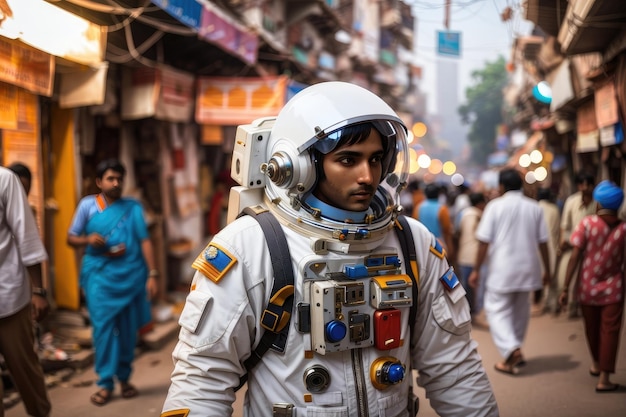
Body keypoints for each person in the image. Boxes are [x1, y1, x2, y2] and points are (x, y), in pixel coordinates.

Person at [161, 82, 498, 416]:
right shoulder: (250, 247)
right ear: (299, 167)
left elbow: (454, 369)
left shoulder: (414, 243)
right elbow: (202, 380)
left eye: (376, 158)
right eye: (348, 160)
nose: (368, 176)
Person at [67, 159, 159, 406]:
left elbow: (144, 240)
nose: (116, 183)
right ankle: (105, 383)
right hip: (99, 276)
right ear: (99, 182)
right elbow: (71, 238)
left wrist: (152, 274)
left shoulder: (133, 207)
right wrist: (88, 240)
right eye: (110, 178)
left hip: (130, 276)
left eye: (119, 178)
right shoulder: (87, 206)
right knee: (103, 331)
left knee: (128, 332)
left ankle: (125, 378)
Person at [469, 168, 550, 375]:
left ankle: (511, 349)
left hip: (502, 270)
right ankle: (515, 349)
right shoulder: (535, 207)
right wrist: (547, 269)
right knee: (521, 312)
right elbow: (543, 243)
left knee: (495, 310)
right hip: (529, 269)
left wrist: (476, 269)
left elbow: (483, 242)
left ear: (502, 186)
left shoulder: (494, 207)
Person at [559, 180, 625, 393]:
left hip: (587, 287)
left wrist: (565, 287)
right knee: (610, 331)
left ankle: (596, 363)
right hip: (614, 288)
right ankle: (604, 377)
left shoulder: (587, 224)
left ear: (598, 204)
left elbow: (575, 256)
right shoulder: (624, 229)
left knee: (591, 328)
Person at [0, 166, 51, 417]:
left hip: (8, 296)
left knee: (24, 369)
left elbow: (27, 237)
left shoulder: (5, 179)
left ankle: (40, 413)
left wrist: (38, 291)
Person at [558, 171, 596, 318]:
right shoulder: (572, 201)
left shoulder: (598, 202)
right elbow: (565, 225)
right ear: (578, 185)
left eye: (588, 184)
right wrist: (563, 241)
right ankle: (571, 305)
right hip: (575, 244)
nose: (585, 187)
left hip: (594, 246)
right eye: (582, 184)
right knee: (570, 275)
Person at [456, 192, 488, 327]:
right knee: (476, 288)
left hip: (463, 255)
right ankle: (473, 315)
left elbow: (457, 232)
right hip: (475, 257)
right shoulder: (478, 216)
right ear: (480, 203)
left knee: (465, 287)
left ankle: (465, 314)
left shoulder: (462, 214)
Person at [414, 183, 456, 261]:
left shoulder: (418, 207)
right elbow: (447, 230)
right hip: (439, 243)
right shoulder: (442, 209)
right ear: (439, 194)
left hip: (422, 242)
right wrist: (450, 248)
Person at [535, 187, 561, 315]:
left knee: (541, 275)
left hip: (537, 247)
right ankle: (553, 303)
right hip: (552, 245)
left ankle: (544, 302)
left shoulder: (535, 208)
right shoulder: (554, 209)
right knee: (552, 274)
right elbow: (557, 229)